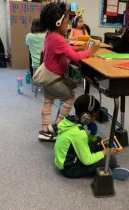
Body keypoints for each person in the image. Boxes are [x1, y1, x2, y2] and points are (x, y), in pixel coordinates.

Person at [37, 2, 98, 141]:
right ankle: (57, 126)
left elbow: (66, 50)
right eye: (66, 22)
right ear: (58, 23)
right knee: (70, 97)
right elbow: (74, 57)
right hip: (52, 77)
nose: (68, 24)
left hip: (48, 73)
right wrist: (89, 51)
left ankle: (44, 130)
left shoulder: (51, 35)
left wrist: (79, 48)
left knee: (48, 101)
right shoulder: (57, 38)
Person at [54, 94, 129, 180]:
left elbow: (81, 142)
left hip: (64, 160)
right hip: (70, 168)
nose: (95, 118)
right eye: (94, 115)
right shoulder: (78, 133)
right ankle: (113, 168)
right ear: (86, 116)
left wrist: (93, 134)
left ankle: (107, 161)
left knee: (98, 140)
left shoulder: (69, 120)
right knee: (110, 159)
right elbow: (87, 160)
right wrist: (105, 152)